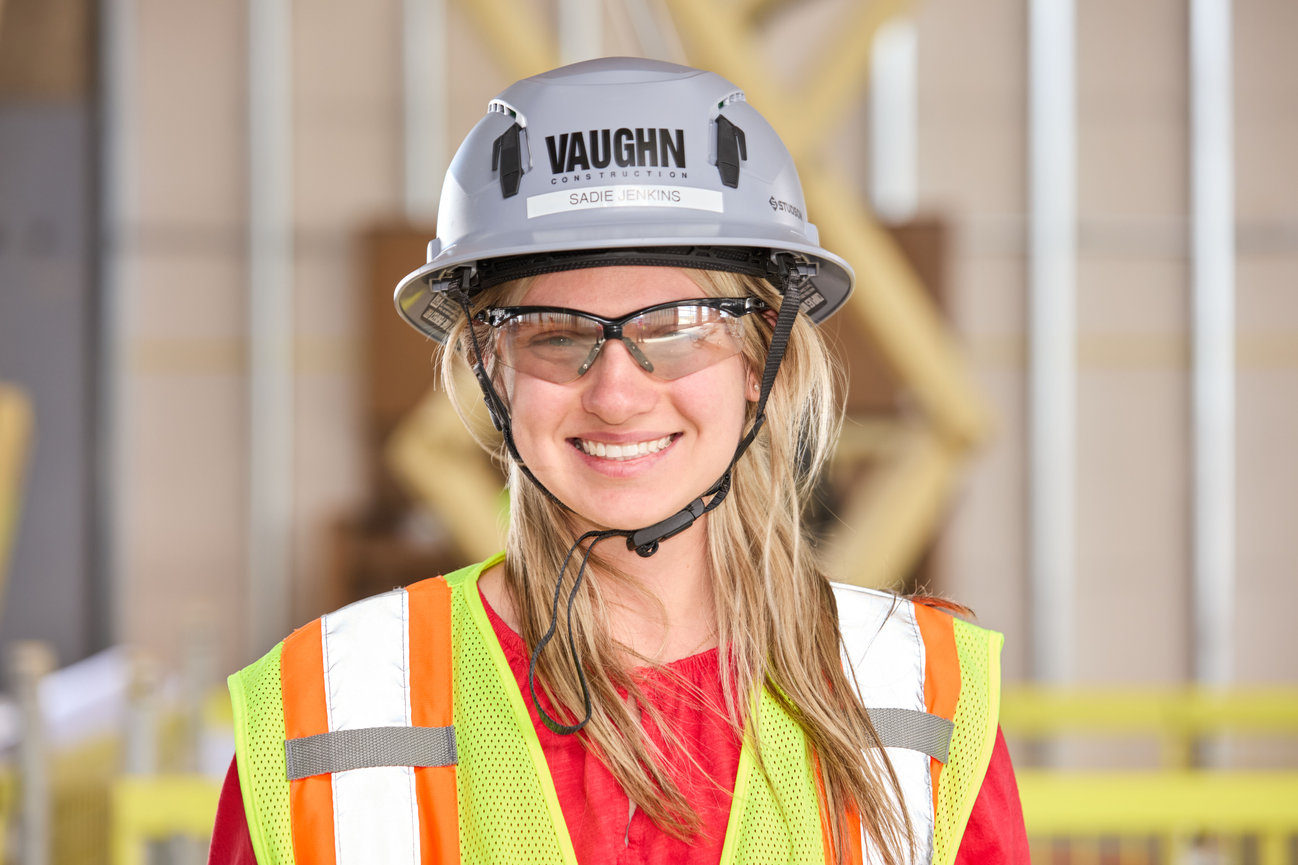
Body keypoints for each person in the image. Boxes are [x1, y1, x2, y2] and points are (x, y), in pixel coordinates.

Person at [208, 57, 1027, 865]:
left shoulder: (921, 706)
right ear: (491, 368)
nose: (616, 394)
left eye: (678, 326)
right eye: (555, 335)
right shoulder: (324, 715)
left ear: (761, 357)